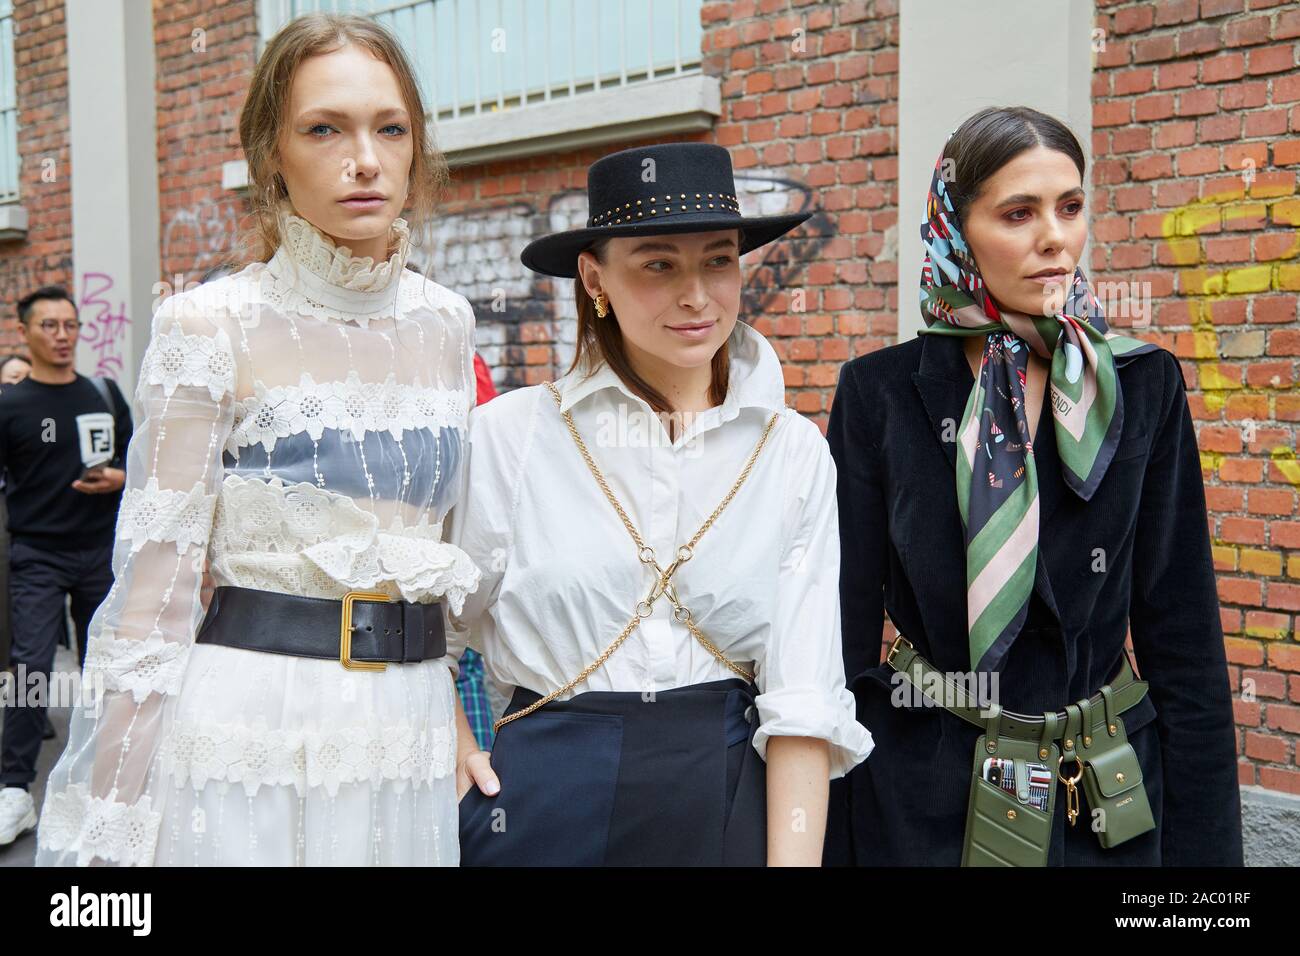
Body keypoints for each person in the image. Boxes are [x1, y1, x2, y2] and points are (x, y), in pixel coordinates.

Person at [35, 12, 480, 866]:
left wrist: (458, 724)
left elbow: (444, 556)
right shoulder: (208, 324)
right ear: (269, 152)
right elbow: (153, 599)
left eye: (391, 128)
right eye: (325, 128)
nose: (366, 158)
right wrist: (111, 829)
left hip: (412, 731)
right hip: (257, 728)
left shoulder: (446, 325)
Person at [824, 106, 1242, 866]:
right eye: (1019, 213)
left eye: (1070, 207)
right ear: (954, 226)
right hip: (923, 802)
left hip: (1105, 804)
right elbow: (844, 641)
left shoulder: (1141, 384)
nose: (1056, 237)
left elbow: (1183, 639)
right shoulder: (877, 393)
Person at [451, 142, 873, 866]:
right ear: (595, 278)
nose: (697, 295)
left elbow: (803, 697)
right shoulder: (510, 438)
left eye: (718, 259)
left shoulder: (791, 453)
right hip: (540, 809)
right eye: (658, 264)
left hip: (726, 802)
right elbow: (417, 632)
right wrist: (453, 755)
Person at [0, 289, 132, 849]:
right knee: (31, 667)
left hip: (100, 551)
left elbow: (140, 458)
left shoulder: (102, 393)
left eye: (71, 324)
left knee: (106, 667)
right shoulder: (10, 405)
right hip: (37, 554)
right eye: (49, 325)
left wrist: (121, 478)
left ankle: (108, 790)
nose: (62, 334)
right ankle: (14, 791)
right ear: (25, 333)